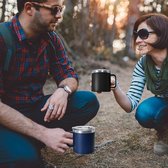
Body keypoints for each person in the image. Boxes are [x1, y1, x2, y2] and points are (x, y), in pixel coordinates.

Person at [0, 0, 99, 167]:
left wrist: (64, 90)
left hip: (35, 109)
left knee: (87, 102)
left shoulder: (51, 38)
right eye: (54, 10)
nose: (59, 15)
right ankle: (26, 142)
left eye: (60, 9)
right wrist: (43, 133)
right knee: (27, 160)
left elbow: (69, 75)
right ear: (30, 8)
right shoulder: (3, 38)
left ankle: (26, 139)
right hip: (4, 118)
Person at [111, 13, 168, 156]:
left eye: (143, 34)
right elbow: (129, 104)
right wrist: (115, 86)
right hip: (164, 101)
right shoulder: (143, 64)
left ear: (161, 34)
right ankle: (164, 132)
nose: (137, 40)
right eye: (136, 35)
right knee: (144, 112)